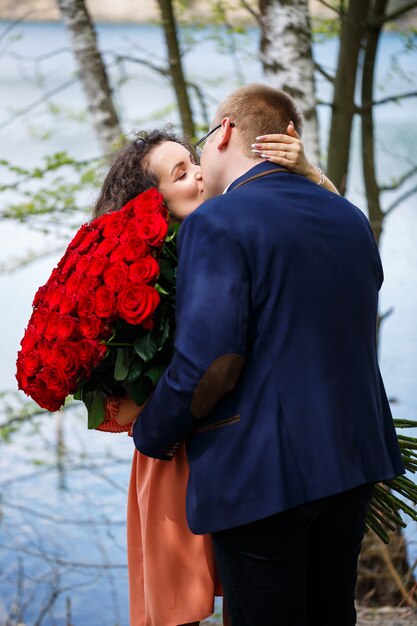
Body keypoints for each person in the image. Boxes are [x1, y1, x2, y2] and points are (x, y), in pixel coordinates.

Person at [131, 84, 405, 626]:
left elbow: (212, 363)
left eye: (204, 140)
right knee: (330, 614)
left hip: (266, 473)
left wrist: (152, 433)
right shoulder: (348, 218)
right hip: (353, 460)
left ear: (227, 132)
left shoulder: (218, 222)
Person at [93, 121, 338, 626]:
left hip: (262, 452)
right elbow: (120, 401)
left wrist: (307, 173)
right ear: (148, 203)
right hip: (175, 450)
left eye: (194, 161)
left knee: (258, 602)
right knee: (185, 610)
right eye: (181, 172)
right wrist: (153, 420)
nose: (200, 175)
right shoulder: (134, 272)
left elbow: (335, 237)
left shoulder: (242, 224)